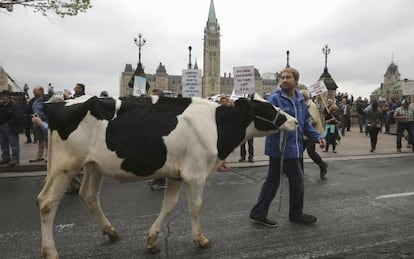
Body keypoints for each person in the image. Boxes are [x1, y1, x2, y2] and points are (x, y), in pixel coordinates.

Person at [249, 67, 325, 227]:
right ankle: (296, 214)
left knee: (273, 181)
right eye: (282, 77)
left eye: (288, 77)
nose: (284, 79)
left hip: (295, 147)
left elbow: (304, 124)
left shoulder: (300, 99)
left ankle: (259, 212)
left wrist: (318, 137)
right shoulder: (274, 99)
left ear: (296, 81)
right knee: (297, 181)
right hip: (281, 148)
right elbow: (266, 122)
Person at [300, 90, 327, 179]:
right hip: (305, 134)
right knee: (299, 152)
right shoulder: (304, 105)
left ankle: (322, 165)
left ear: (304, 97)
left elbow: (314, 120)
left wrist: (302, 123)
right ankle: (299, 171)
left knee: (311, 152)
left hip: (312, 132)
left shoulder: (311, 105)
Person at [148, 89, 167, 190]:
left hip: (161, 137)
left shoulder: (163, 107)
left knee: (159, 160)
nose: (152, 97)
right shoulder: (154, 105)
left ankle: (161, 181)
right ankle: (156, 178)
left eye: (154, 95)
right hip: (154, 136)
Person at [0, 90, 25, 167]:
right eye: (2, 96)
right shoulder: (2, 105)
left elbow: (19, 116)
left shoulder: (14, 106)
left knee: (14, 144)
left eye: (4, 96)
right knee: (3, 144)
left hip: (11, 127)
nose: (2, 98)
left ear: (8, 96)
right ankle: (6, 158)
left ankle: (15, 159)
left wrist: (9, 122)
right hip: (1, 126)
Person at [28, 86, 48, 163]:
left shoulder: (46, 100)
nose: (33, 92)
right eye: (33, 90)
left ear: (41, 91)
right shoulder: (33, 101)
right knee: (40, 139)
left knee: (47, 139)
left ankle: (48, 156)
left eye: (35, 90)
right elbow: (29, 110)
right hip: (35, 121)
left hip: (45, 120)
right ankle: (39, 156)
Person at [217, 96, 231, 171]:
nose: (224, 102)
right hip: (220, 132)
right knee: (220, 150)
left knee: (226, 150)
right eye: (222, 101)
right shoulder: (218, 110)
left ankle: (223, 163)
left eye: (225, 101)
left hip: (227, 132)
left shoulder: (229, 109)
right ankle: (219, 165)